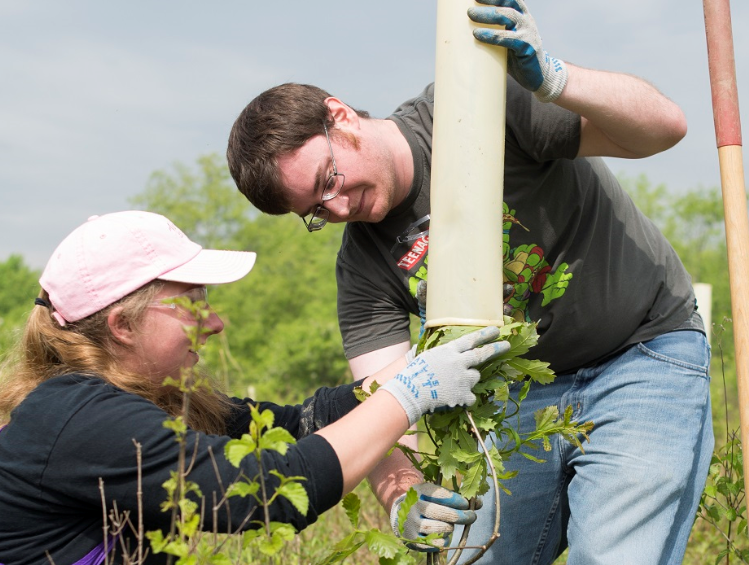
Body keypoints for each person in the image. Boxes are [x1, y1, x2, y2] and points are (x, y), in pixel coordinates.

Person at [226, 0, 714, 563]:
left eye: (328, 179)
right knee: (469, 555)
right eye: (314, 210)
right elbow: (384, 401)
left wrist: (556, 78)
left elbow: (663, 128)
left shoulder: (476, 109)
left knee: (612, 555)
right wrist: (399, 493)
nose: (336, 207)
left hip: (641, 351)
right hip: (518, 398)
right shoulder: (363, 264)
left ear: (341, 117)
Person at [0, 210, 508, 565]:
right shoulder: (79, 419)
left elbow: (294, 426)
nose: (215, 322)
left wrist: (408, 369)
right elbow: (267, 490)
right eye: (192, 303)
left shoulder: (151, 398)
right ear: (122, 326)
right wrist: (409, 394)